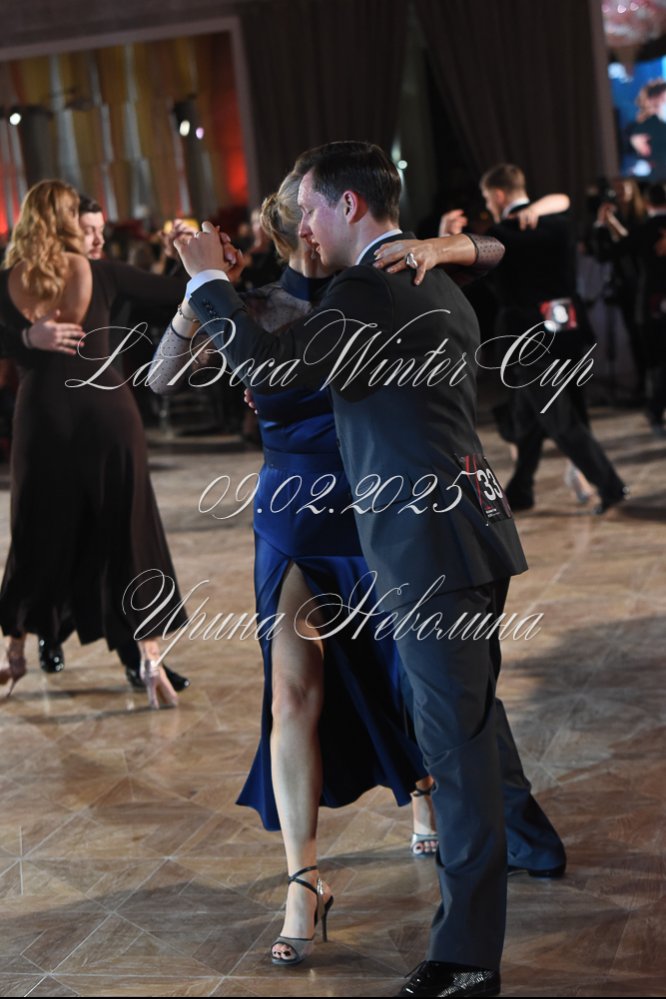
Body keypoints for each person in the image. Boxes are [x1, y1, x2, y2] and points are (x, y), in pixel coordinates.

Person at [169, 141, 566, 998]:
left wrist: (205, 281)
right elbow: (488, 253)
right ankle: (535, 842)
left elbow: (267, 364)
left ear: (348, 206)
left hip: (427, 544)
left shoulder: (365, 289)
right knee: (466, 715)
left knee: (452, 746)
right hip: (471, 529)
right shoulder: (427, 275)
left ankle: (466, 956)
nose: (303, 224)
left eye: (310, 207)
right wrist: (452, 243)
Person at [0, 180, 188, 708]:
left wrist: (23, 340)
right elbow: (177, 296)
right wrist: (187, 259)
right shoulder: (101, 273)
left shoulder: (8, 280)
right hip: (108, 416)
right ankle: (150, 660)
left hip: (42, 421)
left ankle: (15, 653)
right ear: (64, 221)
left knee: (35, 530)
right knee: (130, 531)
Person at [476, 162, 628, 515]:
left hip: (527, 341)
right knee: (532, 416)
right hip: (567, 331)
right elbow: (562, 202)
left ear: (499, 194)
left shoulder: (500, 234)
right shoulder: (560, 224)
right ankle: (522, 490)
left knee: (558, 417)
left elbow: (491, 286)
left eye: (486, 197)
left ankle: (611, 485)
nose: (487, 203)